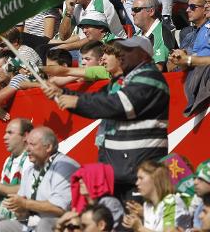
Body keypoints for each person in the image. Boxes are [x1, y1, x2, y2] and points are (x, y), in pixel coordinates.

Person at [44, 37, 170, 198]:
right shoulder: (124, 80)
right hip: (121, 169)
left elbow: (120, 105)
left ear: (143, 55)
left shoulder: (150, 77)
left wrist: (75, 101)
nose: (122, 54)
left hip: (139, 171)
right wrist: (61, 93)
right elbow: (96, 100)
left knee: (138, 219)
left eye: (127, 50)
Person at [0, 127, 80, 232]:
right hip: (30, 224)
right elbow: (22, 214)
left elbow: (60, 208)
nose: (27, 149)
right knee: (3, 227)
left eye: (33, 145)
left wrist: (25, 204)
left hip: (58, 224)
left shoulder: (64, 167)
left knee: (44, 224)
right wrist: (18, 208)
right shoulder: (29, 171)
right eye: (27, 144)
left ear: (48, 147)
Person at [121, 160, 191, 230]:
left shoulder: (171, 201)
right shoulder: (147, 205)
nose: (137, 183)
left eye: (141, 178)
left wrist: (139, 227)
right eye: (137, 179)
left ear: (155, 179)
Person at [129, 0, 178, 70]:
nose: (132, 13)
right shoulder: (137, 35)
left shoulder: (162, 33)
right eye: (132, 10)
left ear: (151, 11)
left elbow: (157, 68)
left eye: (136, 9)